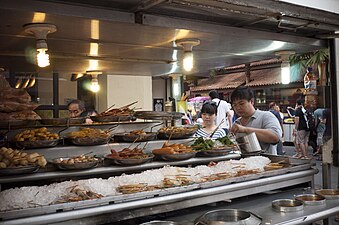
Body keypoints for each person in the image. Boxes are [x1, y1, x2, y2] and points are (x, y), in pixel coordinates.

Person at [229, 86, 282, 154]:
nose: (238, 108)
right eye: (235, 105)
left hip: (267, 163)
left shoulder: (266, 116)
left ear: (251, 101)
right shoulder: (237, 122)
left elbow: (275, 137)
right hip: (243, 163)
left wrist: (245, 129)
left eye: (241, 103)